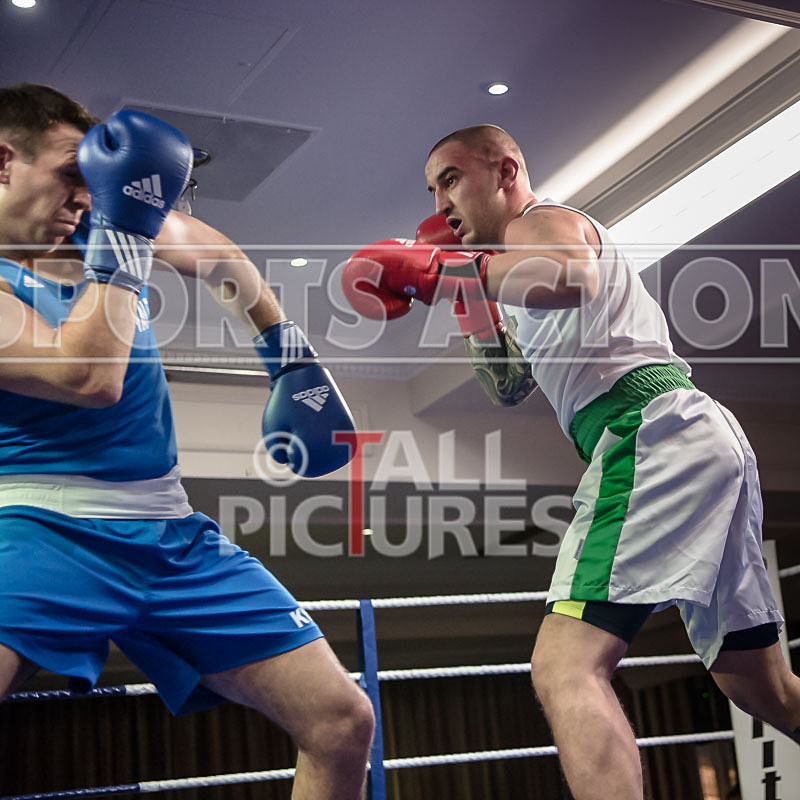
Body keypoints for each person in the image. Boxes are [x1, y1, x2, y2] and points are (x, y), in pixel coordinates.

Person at [341, 124, 800, 800]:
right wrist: (466, 293)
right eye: (432, 188)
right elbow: (507, 384)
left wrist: (436, 272)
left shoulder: (542, 223)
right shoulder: (508, 267)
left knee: (565, 667)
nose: (439, 201)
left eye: (450, 178)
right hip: (694, 436)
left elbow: (571, 277)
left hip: (650, 432)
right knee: (760, 686)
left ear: (505, 171)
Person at [0, 83, 373, 800]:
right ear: (3, 161)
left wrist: (290, 360)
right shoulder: (107, 241)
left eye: (95, 180)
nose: (86, 197)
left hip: (172, 535)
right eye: (69, 177)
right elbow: (87, 375)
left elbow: (216, 252)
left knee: (341, 721)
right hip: (39, 529)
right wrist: (124, 234)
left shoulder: (101, 235)